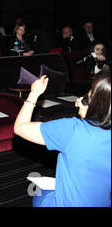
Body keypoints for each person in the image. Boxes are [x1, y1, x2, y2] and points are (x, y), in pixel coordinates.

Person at [14, 72, 111, 207]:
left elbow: (20, 128)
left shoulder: (72, 129)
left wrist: (34, 94)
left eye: (91, 94)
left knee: (36, 189)